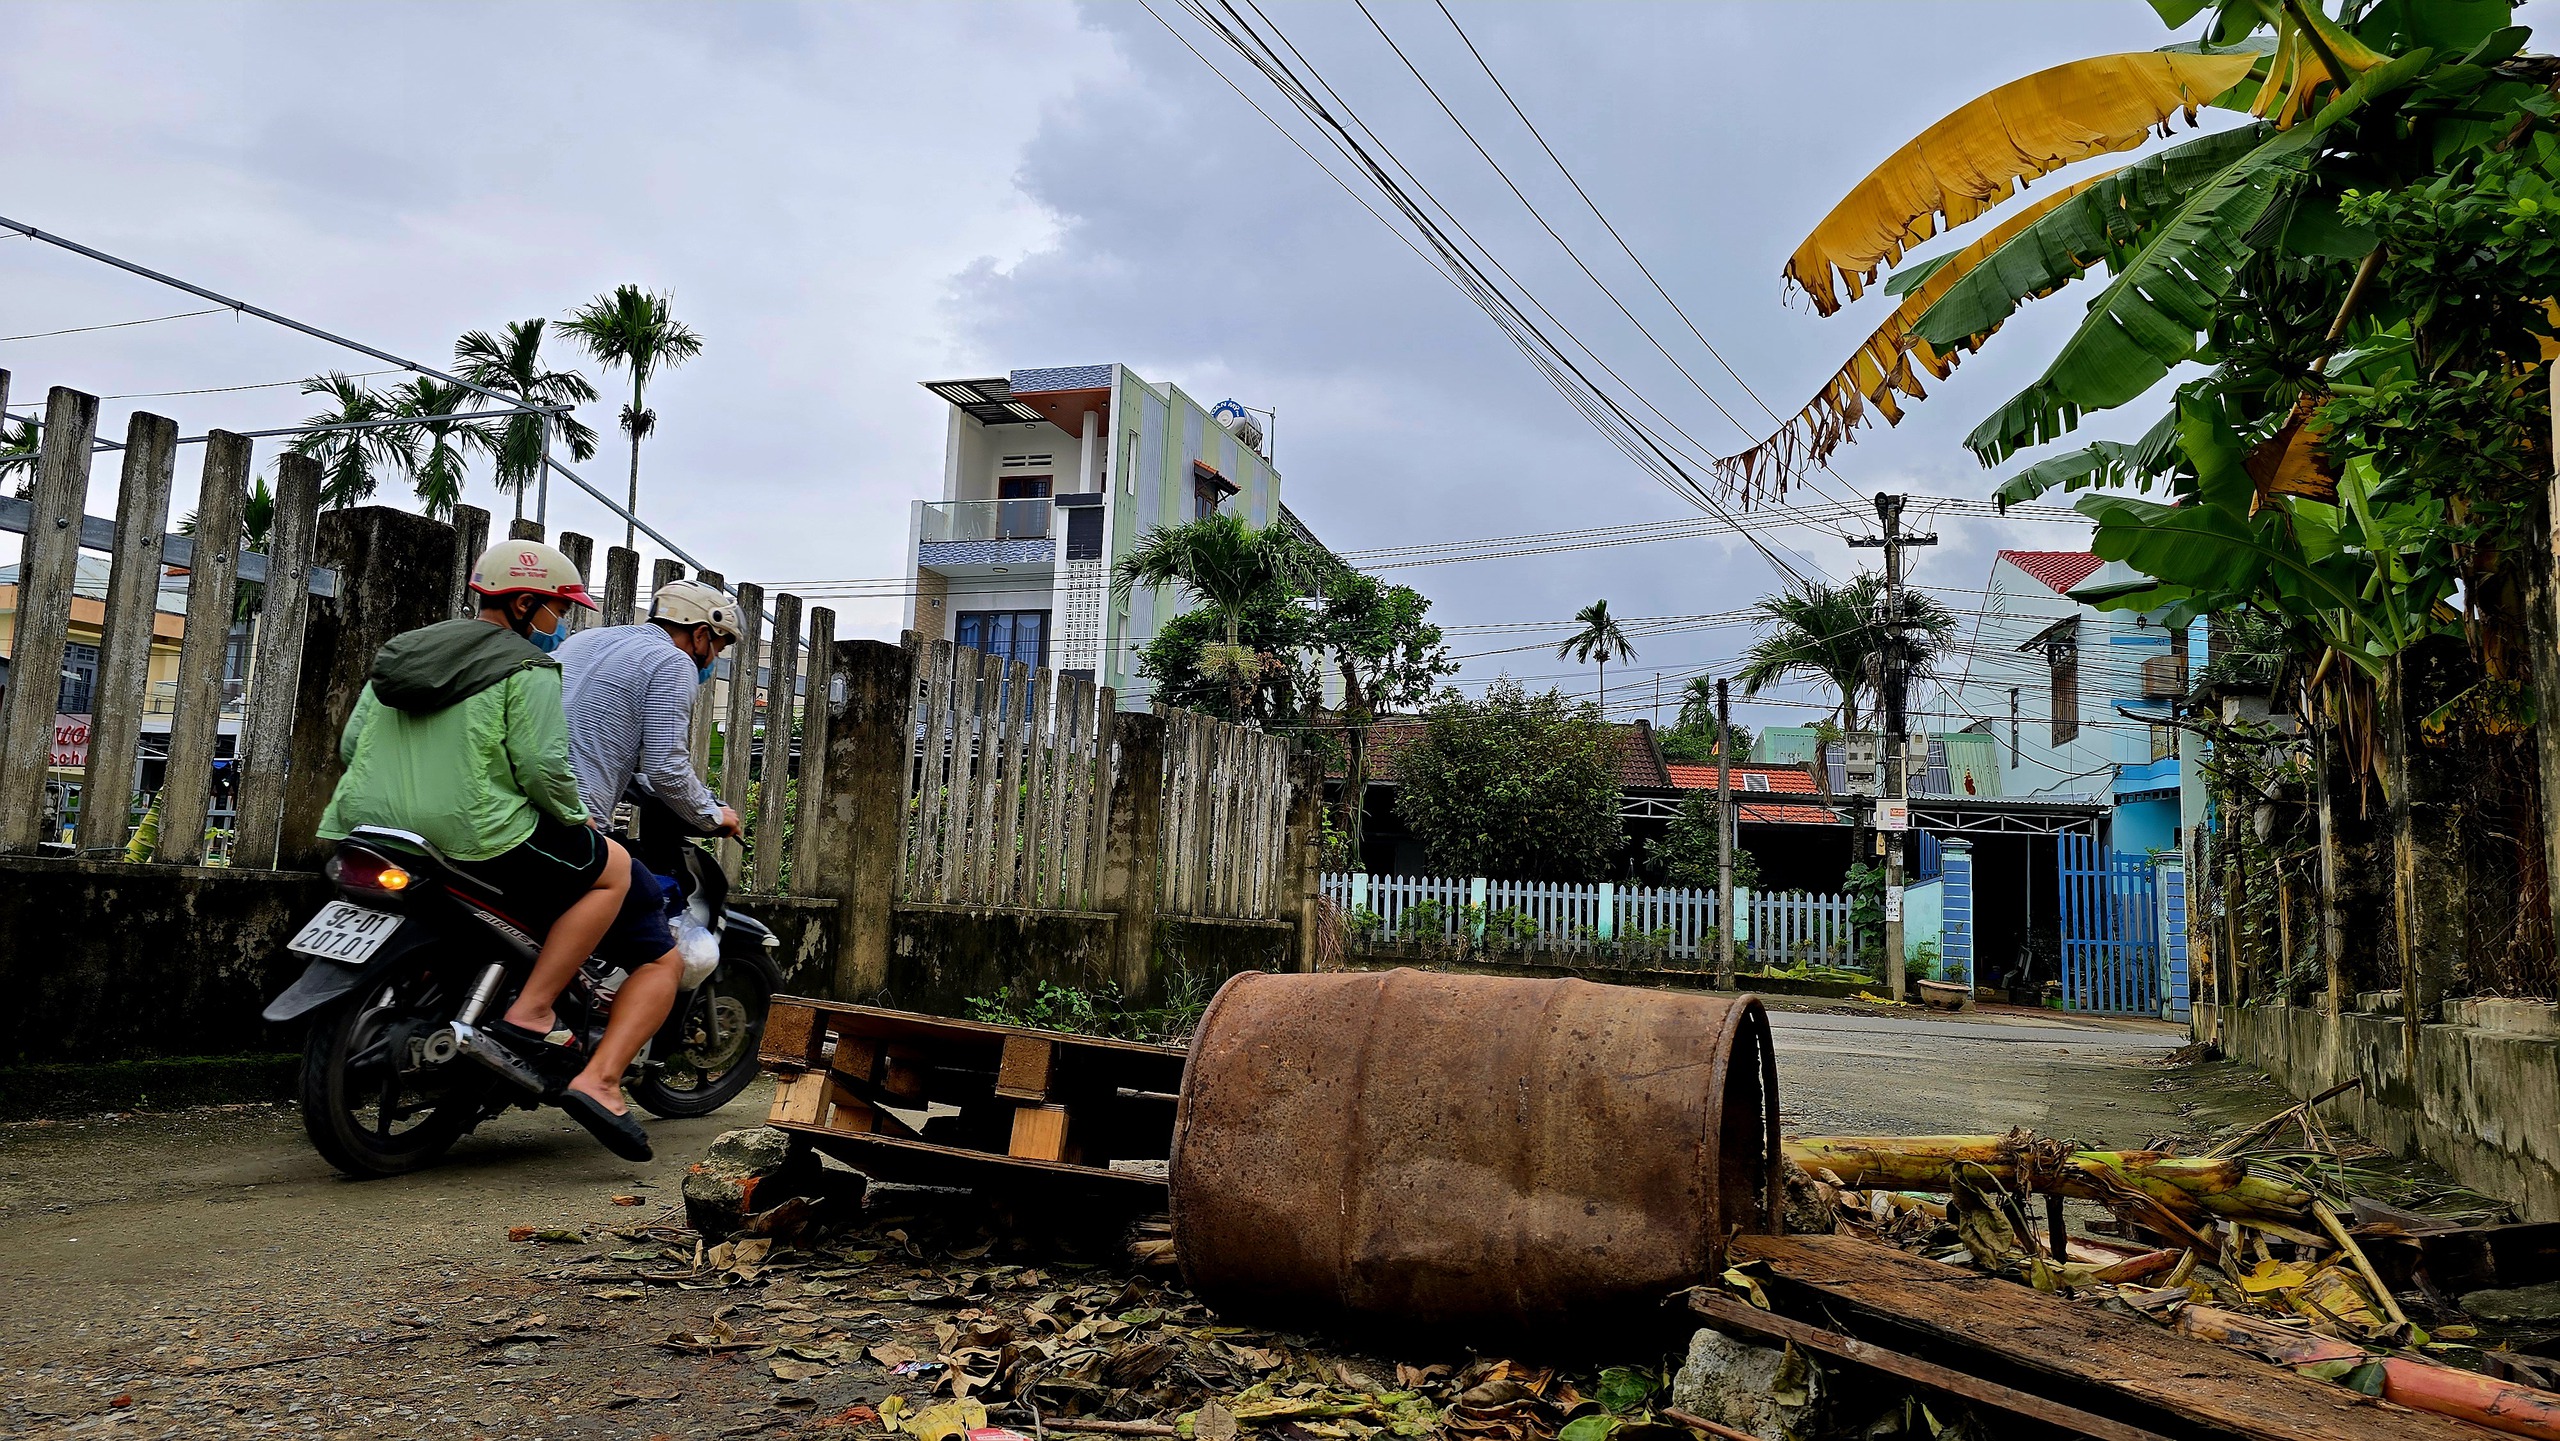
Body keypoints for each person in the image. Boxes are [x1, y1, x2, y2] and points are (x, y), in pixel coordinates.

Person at [316, 540, 664, 1162]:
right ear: (526, 603)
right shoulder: (527, 668)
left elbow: (351, 745)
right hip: (474, 835)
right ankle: (532, 1011)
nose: (561, 622)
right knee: (612, 871)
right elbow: (541, 765)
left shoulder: (406, 651)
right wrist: (577, 817)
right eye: (559, 608)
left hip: (369, 825)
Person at [554, 578, 743, 881]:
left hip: (524, 807)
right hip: (576, 821)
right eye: (716, 649)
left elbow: (587, 738)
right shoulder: (674, 661)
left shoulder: (586, 640)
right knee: (650, 901)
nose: (712, 660)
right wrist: (714, 815)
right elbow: (666, 768)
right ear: (700, 635)